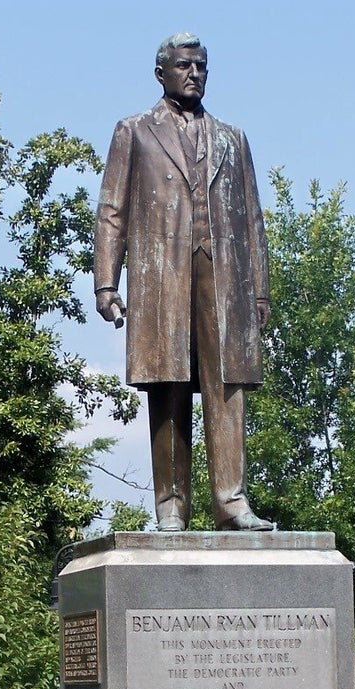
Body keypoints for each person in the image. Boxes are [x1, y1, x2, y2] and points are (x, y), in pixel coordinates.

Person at [94, 33, 273, 532]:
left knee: (227, 384)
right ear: (162, 73)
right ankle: (171, 507)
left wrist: (259, 288)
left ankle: (231, 502)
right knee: (167, 383)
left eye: (201, 66)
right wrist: (106, 283)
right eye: (184, 66)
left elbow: (253, 218)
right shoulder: (133, 131)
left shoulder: (232, 139)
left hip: (225, 278)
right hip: (161, 276)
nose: (194, 74)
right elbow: (112, 211)